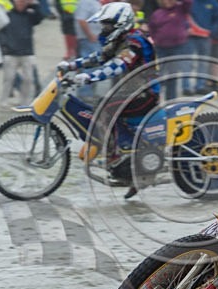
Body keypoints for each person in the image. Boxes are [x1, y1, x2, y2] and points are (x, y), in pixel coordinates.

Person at [56, 2, 159, 198]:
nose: (104, 28)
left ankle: (117, 157)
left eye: (108, 25)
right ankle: (129, 160)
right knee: (104, 105)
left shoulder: (135, 42)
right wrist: (71, 66)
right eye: (104, 25)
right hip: (132, 92)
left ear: (121, 23)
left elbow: (118, 66)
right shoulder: (122, 39)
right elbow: (98, 57)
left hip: (145, 94)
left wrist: (87, 77)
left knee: (104, 109)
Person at [0, 0, 44, 108]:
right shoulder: (8, 15)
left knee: (28, 79)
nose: (21, 4)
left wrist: (35, 5)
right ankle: (3, 101)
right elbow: (2, 32)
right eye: (19, 1)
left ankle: (25, 101)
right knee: (8, 78)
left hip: (27, 51)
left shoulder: (29, 15)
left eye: (23, 2)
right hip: (11, 52)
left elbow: (40, 18)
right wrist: (4, 47)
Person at [148, 0, 193, 99]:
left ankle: (171, 100)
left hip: (177, 48)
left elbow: (189, 2)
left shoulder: (180, 9)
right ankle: (155, 98)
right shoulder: (157, 14)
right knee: (160, 75)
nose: (168, 1)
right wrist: (155, 40)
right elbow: (152, 29)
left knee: (172, 76)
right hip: (161, 49)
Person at [187, 0, 218, 95]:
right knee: (187, 61)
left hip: (205, 38)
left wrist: (211, 32)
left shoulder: (213, 4)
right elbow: (184, 15)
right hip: (190, 37)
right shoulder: (191, 2)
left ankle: (200, 86)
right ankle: (186, 87)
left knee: (203, 62)